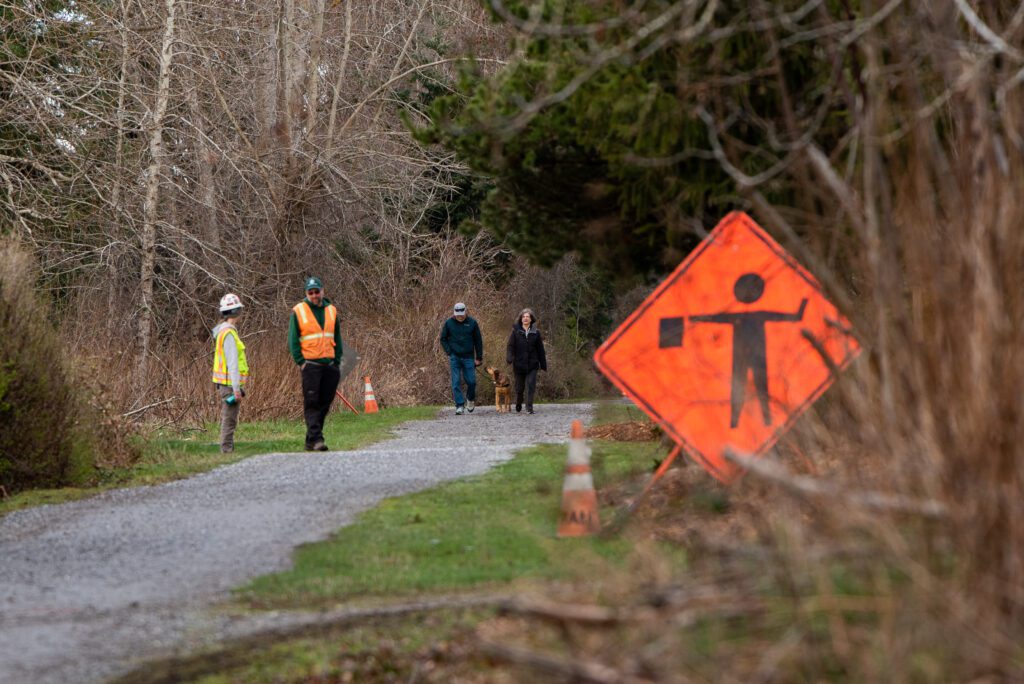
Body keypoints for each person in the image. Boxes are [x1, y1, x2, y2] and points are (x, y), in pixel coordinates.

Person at [289, 276, 342, 451]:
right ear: (306, 293)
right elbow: (293, 339)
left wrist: (337, 361)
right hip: (310, 365)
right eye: (310, 292)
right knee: (312, 402)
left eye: (316, 291)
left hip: (330, 365)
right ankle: (317, 439)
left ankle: (310, 439)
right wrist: (301, 362)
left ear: (322, 291)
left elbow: (337, 337)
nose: (314, 295)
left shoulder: (331, 310)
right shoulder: (299, 311)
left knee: (325, 404)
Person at [211, 293, 249, 453]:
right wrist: (235, 389)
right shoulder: (228, 334)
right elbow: (232, 364)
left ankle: (228, 447)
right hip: (228, 385)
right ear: (236, 312)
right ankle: (226, 449)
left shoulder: (223, 331)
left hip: (225, 383)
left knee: (230, 418)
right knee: (229, 419)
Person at [440, 301, 483, 415]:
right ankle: (459, 405)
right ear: (454, 313)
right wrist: (449, 352)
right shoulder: (449, 323)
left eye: (461, 314)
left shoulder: (472, 323)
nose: (459, 316)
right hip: (455, 357)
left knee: (472, 382)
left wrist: (478, 357)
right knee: (456, 382)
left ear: (465, 312)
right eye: (457, 314)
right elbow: (443, 339)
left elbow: (478, 341)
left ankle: (470, 399)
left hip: (469, 357)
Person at [506, 307, 547, 414]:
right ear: (520, 319)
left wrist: (543, 365)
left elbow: (540, 350)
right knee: (519, 388)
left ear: (531, 319)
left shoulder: (536, 333)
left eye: (527, 317)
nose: (525, 318)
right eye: (523, 317)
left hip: (532, 364)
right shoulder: (515, 331)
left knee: (530, 385)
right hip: (519, 364)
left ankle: (529, 407)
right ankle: (519, 402)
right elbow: (510, 346)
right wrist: (509, 357)